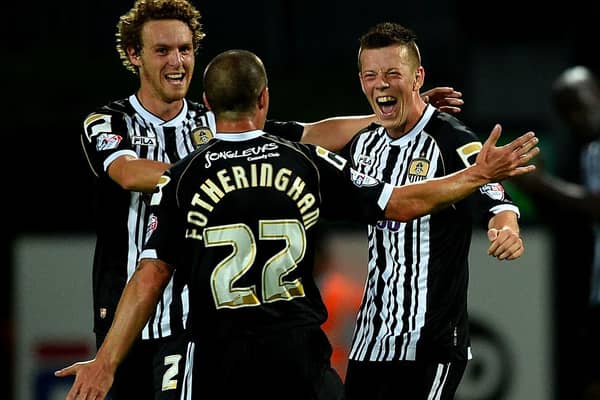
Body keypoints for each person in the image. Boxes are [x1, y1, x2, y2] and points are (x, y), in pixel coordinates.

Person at [56, 48, 539, 400]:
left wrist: (106, 361)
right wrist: (477, 174)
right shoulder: (306, 162)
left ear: (207, 101)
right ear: (264, 99)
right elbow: (399, 203)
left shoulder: (178, 179)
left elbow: (149, 275)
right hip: (297, 356)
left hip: (214, 357)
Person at [340, 22, 528, 400]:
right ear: (361, 81)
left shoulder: (452, 140)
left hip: (433, 342)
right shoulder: (363, 145)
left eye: (394, 73)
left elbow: (496, 199)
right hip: (371, 342)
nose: (382, 84)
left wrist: (507, 228)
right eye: (371, 75)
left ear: (417, 77)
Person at [512, 65, 600, 400]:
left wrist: (540, 184)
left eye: (583, 102)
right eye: (569, 111)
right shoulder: (590, 151)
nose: (579, 116)